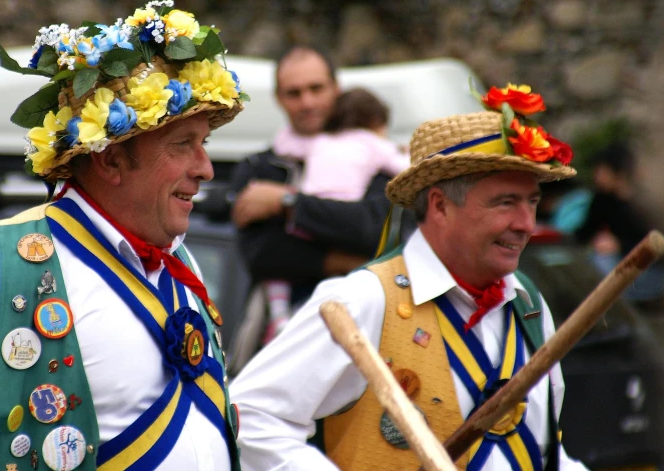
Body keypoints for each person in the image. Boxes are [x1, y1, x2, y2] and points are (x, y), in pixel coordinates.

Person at [0, 0, 243, 470]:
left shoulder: (180, 268)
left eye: (204, 144)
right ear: (110, 159)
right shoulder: (3, 268)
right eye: (182, 145)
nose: (206, 169)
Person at [231, 83, 589, 470]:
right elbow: (250, 415)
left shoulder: (528, 307)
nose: (526, 225)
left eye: (532, 202)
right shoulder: (366, 299)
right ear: (440, 206)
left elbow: (541, 450)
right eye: (505, 203)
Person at [228, 47, 412, 369]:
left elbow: (371, 230)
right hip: (277, 348)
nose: (308, 102)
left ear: (336, 89)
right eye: (294, 93)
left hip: (371, 341)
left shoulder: (372, 154)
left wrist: (286, 202)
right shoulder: (258, 168)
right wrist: (348, 259)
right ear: (278, 99)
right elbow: (262, 254)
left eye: (316, 89)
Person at [262, 87, 409, 340]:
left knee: (279, 272)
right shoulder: (375, 143)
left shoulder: (320, 140)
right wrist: (402, 152)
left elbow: (283, 144)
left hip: (305, 213)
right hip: (341, 215)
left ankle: (279, 315)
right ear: (376, 121)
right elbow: (405, 169)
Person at [575, 142, 664, 304]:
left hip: (647, 272)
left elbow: (661, 249)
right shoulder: (602, 199)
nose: (597, 176)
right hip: (617, 264)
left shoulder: (642, 205)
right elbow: (583, 233)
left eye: (601, 170)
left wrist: (619, 245)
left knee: (602, 263)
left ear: (617, 173)